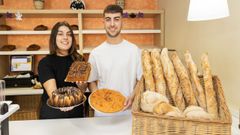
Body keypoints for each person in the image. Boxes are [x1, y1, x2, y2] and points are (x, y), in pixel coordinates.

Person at [88, 4, 142, 117]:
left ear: (122, 21)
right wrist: (98, 98)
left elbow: (141, 79)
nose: (112, 24)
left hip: (127, 112)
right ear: (103, 22)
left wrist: (132, 96)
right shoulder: (95, 53)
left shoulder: (134, 50)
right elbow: (91, 81)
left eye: (116, 19)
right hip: (102, 115)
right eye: (108, 19)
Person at [38, 21, 84, 119]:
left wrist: (81, 84)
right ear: (54, 38)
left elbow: (82, 91)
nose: (65, 37)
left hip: (76, 115)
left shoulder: (79, 60)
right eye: (60, 34)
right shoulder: (45, 63)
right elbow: (53, 93)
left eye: (69, 34)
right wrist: (62, 102)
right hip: (52, 116)